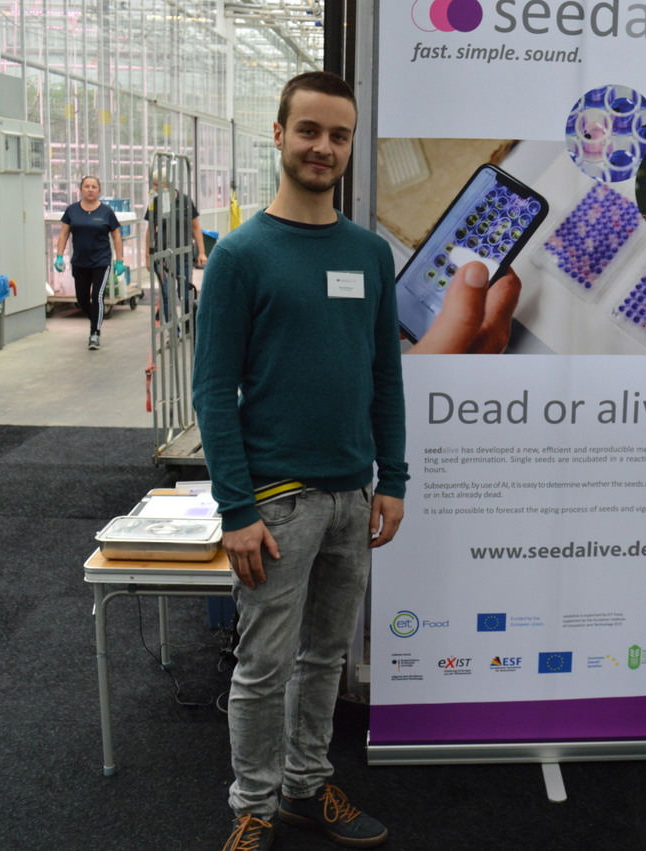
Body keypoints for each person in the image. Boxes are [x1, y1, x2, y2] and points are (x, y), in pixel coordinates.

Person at [192, 71, 407, 851]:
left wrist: (393, 478)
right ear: (279, 134)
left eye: (338, 135)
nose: (323, 147)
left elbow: (385, 375)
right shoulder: (241, 255)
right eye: (309, 130)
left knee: (324, 659)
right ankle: (253, 805)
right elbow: (213, 392)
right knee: (263, 665)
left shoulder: (369, 254)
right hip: (276, 504)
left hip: (353, 497)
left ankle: (306, 787)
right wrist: (236, 509)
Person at [54, 176, 126, 350]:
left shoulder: (106, 212)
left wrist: (119, 260)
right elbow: (63, 234)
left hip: (101, 261)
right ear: (81, 189)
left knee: (97, 297)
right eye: (87, 186)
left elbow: (116, 236)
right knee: (82, 299)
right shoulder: (72, 210)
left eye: (94, 187)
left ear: (99, 190)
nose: (90, 189)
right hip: (80, 261)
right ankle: (95, 319)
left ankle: (95, 333)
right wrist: (59, 256)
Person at [144, 171, 207, 322]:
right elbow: (150, 230)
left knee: (184, 293)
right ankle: (173, 329)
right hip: (162, 256)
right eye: (154, 185)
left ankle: (187, 324)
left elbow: (196, 227)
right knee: (166, 294)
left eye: (157, 185)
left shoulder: (185, 201)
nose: (155, 188)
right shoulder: (155, 202)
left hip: (183, 255)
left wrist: (202, 252)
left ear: (168, 184)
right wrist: (147, 256)